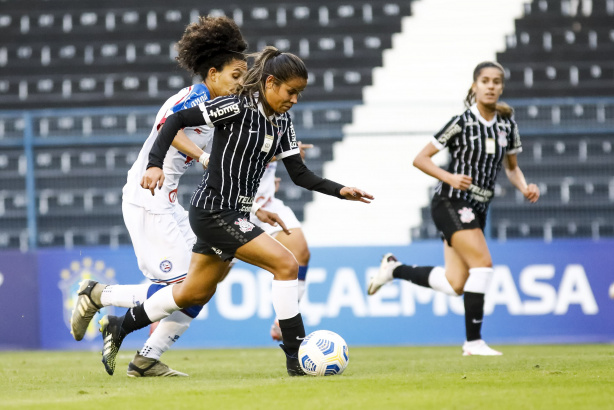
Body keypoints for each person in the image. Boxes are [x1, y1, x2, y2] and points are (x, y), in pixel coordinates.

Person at [97, 46, 373, 377]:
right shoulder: (236, 106)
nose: (295, 99)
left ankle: (119, 326)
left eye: (300, 93)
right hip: (213, 210)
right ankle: (295, 356)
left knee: (192, 292)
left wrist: (340, 190)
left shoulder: (283, 122)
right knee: (286, 263)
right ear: (271, 83)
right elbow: (176, 120)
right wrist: (154, 165)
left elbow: (300, 175)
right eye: (291, 91)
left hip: (235, 214)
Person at [69, 16, 279, 377]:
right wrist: (198, 157)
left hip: (170, 200)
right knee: (184, 286)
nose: (241, 82)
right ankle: (98, 294)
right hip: (147, 195)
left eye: (244, 75)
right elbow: (169, 126)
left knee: (210, 278)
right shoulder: (192, 98)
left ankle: (147, 357)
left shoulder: (225, 111)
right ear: (212, 74)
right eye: (234, 75)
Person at [367, 61, 540, 356]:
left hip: (478, 207)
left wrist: (524, 186)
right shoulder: (460, 122)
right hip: (450, 201)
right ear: (475, 86)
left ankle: (394, 269)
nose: (491, 86)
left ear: (501, 87)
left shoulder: (507, 125)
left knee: (456, 283)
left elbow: (512, 168)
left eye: (496, 81)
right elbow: (421, 158)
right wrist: (450, 177)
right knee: (483, 265)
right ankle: (473, 343)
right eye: (485, 80)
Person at [250, 142, 314, 341]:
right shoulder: (237, 116)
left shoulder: (279, 122)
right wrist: (286, 152)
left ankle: (283, 322)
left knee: (301, 253)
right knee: (203, 286)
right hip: (233, 207)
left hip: (268, 204)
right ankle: (163, 312)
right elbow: (242, 156)